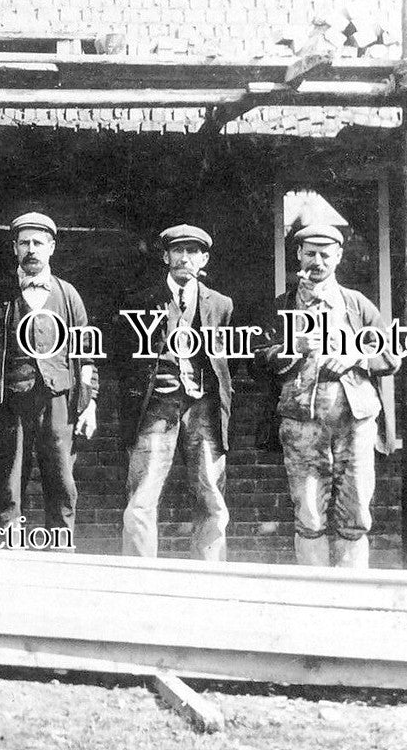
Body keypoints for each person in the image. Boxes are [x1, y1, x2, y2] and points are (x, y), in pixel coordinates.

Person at [253, 222, 400, 568]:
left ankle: (352, 598)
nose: (317, 261)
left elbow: (391, 356)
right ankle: (313, 601)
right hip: (302, 427)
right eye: (310, 254)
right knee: (309, 514)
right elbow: (256, 359)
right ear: (299, 256)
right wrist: (291, 348)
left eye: (325, 254)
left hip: (355, 424)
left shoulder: (357, 305)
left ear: (338, 257)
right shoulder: (281, 307)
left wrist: (355, 357)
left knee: (356, 511)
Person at [0, 211, 98, 541]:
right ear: (14, 247)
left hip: (58, 398)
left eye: (38, 243)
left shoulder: (69, 295)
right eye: (24, 242)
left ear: (51, 247)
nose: (31, 249)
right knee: (10, 475)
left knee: (60, 475)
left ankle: (60, 543)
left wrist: (90, 403)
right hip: (11, 399)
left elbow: (86, 354)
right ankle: (12, 542)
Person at [118, 224, 234, 561]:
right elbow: (126, 359)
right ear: (166, 255)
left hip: (203, 410)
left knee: (211, 495)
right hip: (157, 408)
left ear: (204, 258)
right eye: (178, 250)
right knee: (142, 496)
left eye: (193, 251)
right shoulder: (142, 300)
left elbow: (226, 362)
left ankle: (209, 579)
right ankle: (141, 579)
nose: (185, 257)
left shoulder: (221, 305)